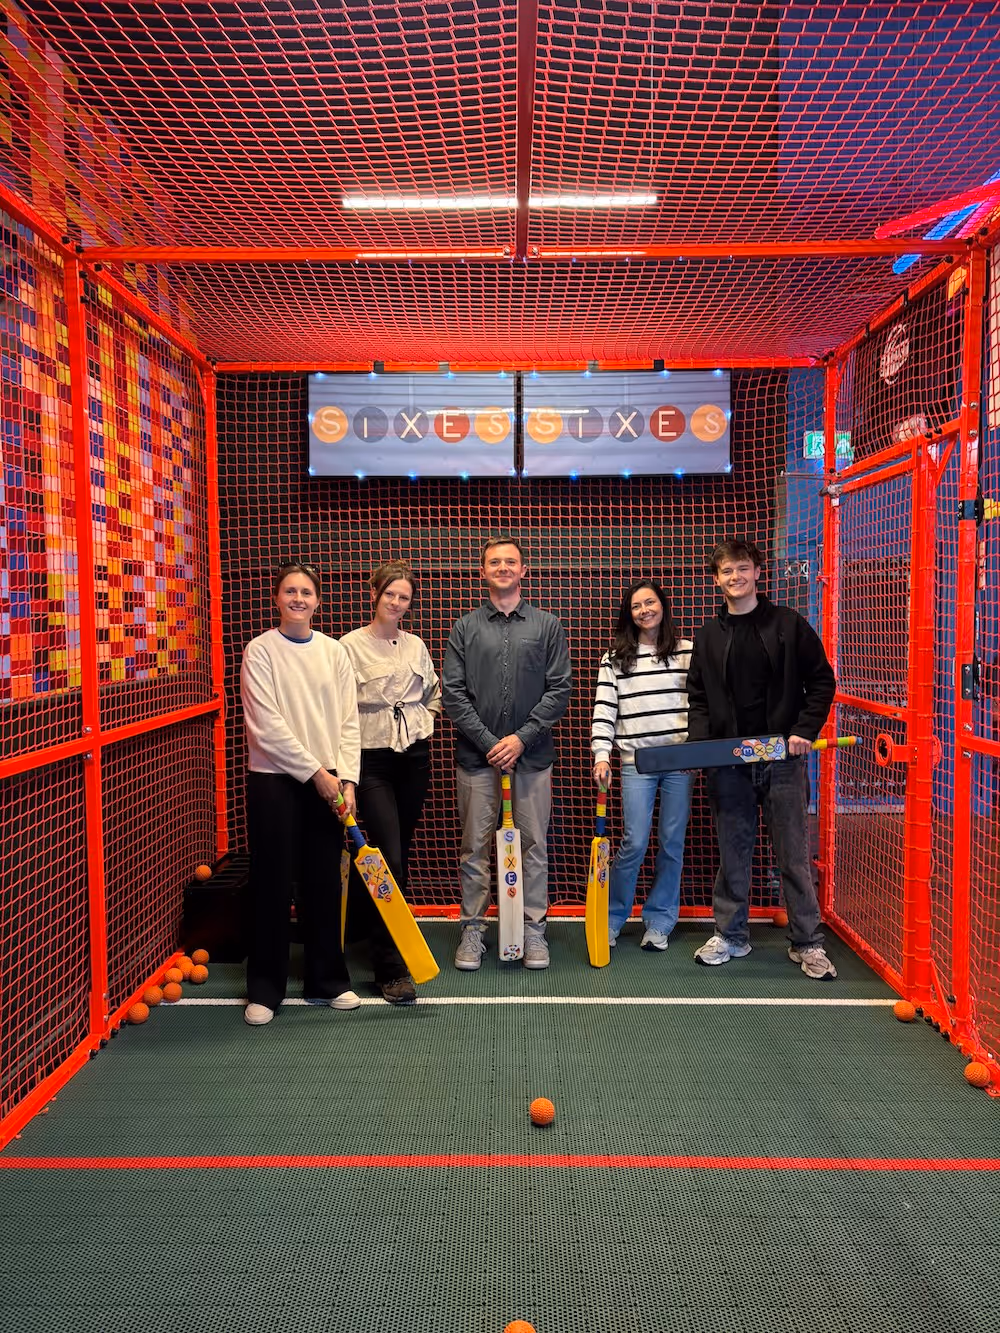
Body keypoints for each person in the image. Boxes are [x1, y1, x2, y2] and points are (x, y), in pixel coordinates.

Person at [686, 539, 838, 979]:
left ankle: (807, 942)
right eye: (727, 571)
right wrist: (702, 746)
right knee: (732, 852)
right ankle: (731, 936)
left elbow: (821, 682)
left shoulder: (788, 624)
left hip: (782, 757)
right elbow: (698, 697)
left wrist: (804, 730)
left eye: (742, 568)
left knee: (793, 854)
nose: (735, 577)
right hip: (729, 761)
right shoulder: (708, 636)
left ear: (757, 572)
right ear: (717, 580)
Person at [239, 560, 362, 1025]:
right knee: (271, 883)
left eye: (306, 592)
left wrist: (347, 779)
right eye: (290, 591)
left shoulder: (334, 652)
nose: (298, 599)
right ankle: (264, 990)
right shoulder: (260, 650)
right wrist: (318, 774)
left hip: (328, 780)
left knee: (324, 882)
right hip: (275, 780)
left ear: (317, 601)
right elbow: (266, 727)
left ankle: (327, 981)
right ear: (277, 598)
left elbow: (349, 721)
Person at [443, 536, 572, 971]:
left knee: (534, 847)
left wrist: (520, 739)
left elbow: (559, 689)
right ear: (483, 572)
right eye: (494, 562)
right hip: (476, 760)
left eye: (510, 562)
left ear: (523, 571)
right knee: (474, 848)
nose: (503, 567)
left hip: (532, 760)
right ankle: (473, 930)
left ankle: (533, 931)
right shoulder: (465, 627)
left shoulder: (547, 625)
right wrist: (489, 743)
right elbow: (453, 693)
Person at [340, 559, 441, 1005]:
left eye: (404, 597)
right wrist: (345, 773)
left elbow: (434, 693)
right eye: (390, 594)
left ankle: (365, 929)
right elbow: (340, 709)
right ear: (374, 594)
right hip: (372, 760)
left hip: (414, 758)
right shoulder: (349, 646)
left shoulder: (415, 645)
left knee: (401, 852)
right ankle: (389, 967)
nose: (397, 603)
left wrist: (424, 722)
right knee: (390, 861)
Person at [591, 580, 694, 951]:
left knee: (672, 842)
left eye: (650, 602)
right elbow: (605, 709)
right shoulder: (615, 658)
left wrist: (698, 747)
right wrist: (602, 755)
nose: (644, 610)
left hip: (680, 761)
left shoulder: (687, 652)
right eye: (636, 606)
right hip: (637, 760)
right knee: (634, 841)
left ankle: (660, 921)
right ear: (629, 614)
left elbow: (701, 704)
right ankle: (613, 917)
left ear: (663, 606)